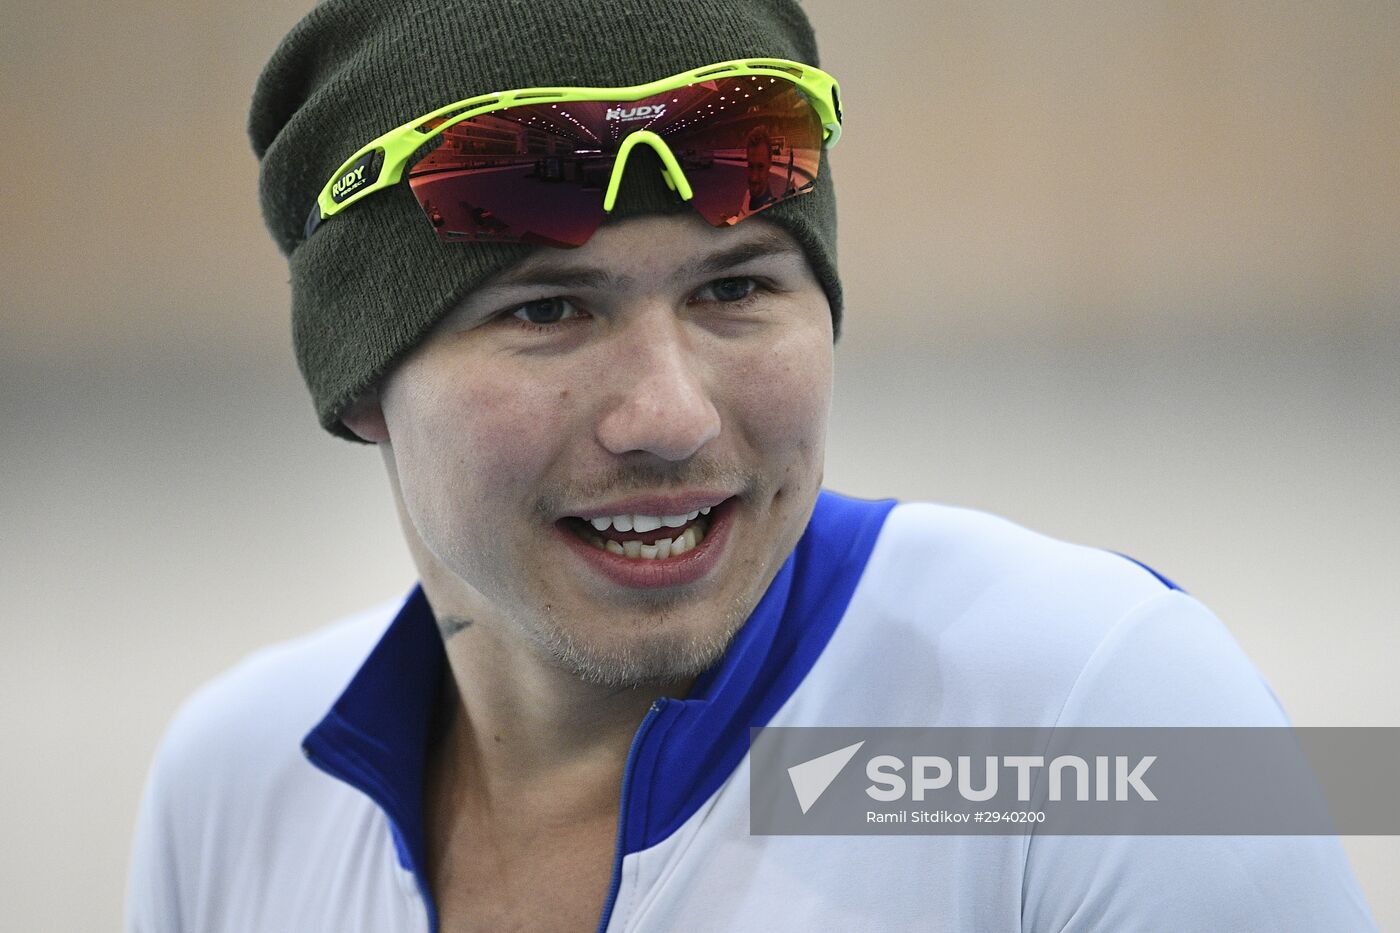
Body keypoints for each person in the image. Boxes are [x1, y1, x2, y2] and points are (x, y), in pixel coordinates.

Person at [127, 1, 1377, 930]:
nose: (667, 417)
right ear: (361, 385)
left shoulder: (1088, 712)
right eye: (547, 311)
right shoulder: (239, 782)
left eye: (734, 289)